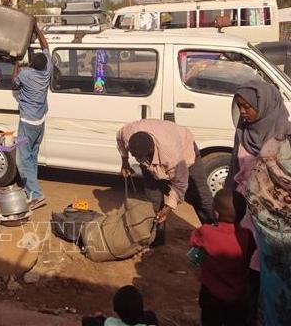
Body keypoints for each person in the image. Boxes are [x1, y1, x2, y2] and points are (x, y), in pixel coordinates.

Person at [226, 79, 291, 326]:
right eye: (239, 106)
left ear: (264, 104)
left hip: (276, 219)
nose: (243, 112)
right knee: (248, 268)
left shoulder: (283, 135)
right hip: (246, 210)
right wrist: (228, 201)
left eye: (247, 106)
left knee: (271, 270)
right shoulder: (242, 133)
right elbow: (234, 168)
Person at [117, 119, 215, 246]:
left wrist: (168, 208)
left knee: (201, 197)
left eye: (145, 158)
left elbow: (180, 184)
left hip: (183, 147)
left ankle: (215, 235)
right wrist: (125, 161)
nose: (142, 162)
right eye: (137, 158)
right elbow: (119, 137)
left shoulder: (172, 155)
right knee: (153, 199)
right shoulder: (127, 134)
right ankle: (156, 238)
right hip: (158, 138)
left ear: (151, 149)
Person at [189, 188, 256, 326]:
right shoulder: (247, 235)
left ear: (216, 213)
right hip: (238, 297)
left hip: (211, 294)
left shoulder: (206, 232)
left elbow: (194, 241)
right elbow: (250, 253)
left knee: (210, 321)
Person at [12, 21, 51, 210]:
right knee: (32, 157)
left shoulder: (26, 75)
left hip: (27, 122)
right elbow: (46, 46)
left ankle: (36, 195)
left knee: (21, 159)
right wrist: (36, 28)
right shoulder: (47, 71)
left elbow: (14, 81)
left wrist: (16, 62)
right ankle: (30, 191)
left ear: (32, 65)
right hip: (40, 122)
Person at [81, 285, 159, 326]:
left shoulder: (109, 323)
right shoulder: (151, 320)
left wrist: (99, 317)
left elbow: (86, 321)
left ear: (115, 310)